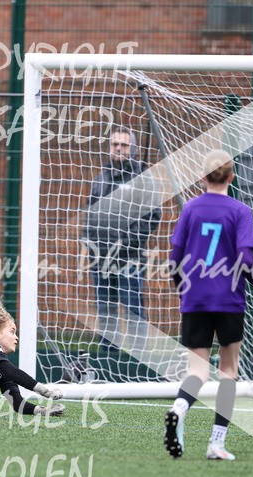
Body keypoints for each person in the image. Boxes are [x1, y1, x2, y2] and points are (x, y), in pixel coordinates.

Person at [164, 150, 253, 461]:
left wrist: (183, 290)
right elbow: (246, 259)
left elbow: (174, 259)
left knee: (197, 372)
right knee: (228, 371)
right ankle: (216, 444)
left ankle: (178, 408)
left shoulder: (190, 209)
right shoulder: (240, 211)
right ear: (231, 177)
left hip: (195, 300)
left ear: (204, 176)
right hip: (229, 299)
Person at [82, 127, 161, 353]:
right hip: (101, 258)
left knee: (133, 308)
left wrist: (127, 243)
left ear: (133, 149)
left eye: (124, 145)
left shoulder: (143, 177)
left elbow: (153, 215)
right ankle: (108, 356)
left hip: (130, 257)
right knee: (105, 309)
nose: (118, 148)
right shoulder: (101, 177)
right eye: (115, 144)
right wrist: (88, 240)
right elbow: (90, 211)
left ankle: (137, 358)